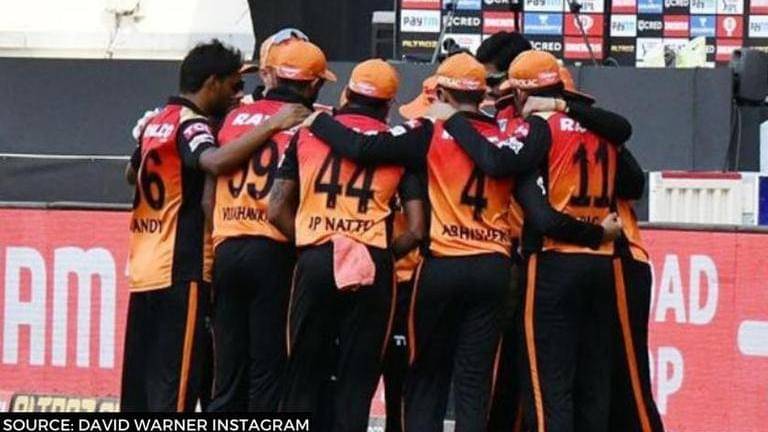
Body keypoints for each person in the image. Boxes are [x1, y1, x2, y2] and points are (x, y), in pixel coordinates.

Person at [302, 53, 620, 432]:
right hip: (493, 269)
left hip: (441, 267)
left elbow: (363, 148)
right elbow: (525, 190)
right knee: (474, 381)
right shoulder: (508, 137)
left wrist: (319, 121)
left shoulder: (426, 131)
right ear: (482, 95)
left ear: (441, 94)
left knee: (427, 377)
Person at [446, 50, 642, 432]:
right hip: (601, 268)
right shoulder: (603, 129)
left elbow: (514, 181)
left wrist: (454, 121)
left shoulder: (538, 127)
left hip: (553, 263)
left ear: (520, 93)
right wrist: (599, 233)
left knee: (547, 387)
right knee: (592, 384)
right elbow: (631, 168)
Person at [121, 39, 309, 412]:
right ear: (211, 83)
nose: (238, 94)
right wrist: (274, 123)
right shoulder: (193, 125)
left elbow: (131, 172)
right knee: (176, 389)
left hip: (144, 267)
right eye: (233, 85)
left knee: (143, 385)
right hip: (181, 267)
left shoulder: (158, 120)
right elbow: (215, 161)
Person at [269, 58, 424, 432]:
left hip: (316, 256)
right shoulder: (397, 145)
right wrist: (381, 254)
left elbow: (274, 209)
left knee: (302, 374)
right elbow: (418, 228)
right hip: (373, 264)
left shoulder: (307, 133)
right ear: (388, 105)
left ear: (346, 93)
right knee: (357, 381)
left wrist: (311, 244)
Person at [205, 38, 320, 412]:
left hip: (227, 246)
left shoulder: (233, 117)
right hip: (274, 249)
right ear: (313, 85)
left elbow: (209, 195)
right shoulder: (310, 123)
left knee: (227, 370)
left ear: (272, 76)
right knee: (268, 370)